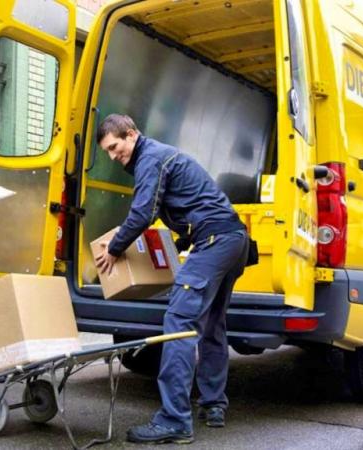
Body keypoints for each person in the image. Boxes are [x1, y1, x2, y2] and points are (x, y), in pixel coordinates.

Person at [94, 114, 249, 444]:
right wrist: (176, 244)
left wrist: (115, 248)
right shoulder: (163, 156)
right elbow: (190, 206)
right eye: (107, 151)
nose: (112, 156)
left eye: (114, 146)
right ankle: (213, 404)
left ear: (132, 134)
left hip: (215, 242)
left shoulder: (150, 157)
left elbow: (143, 212)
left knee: (179, 322)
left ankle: (174, 420)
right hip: (232, 240)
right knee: (211, 324)